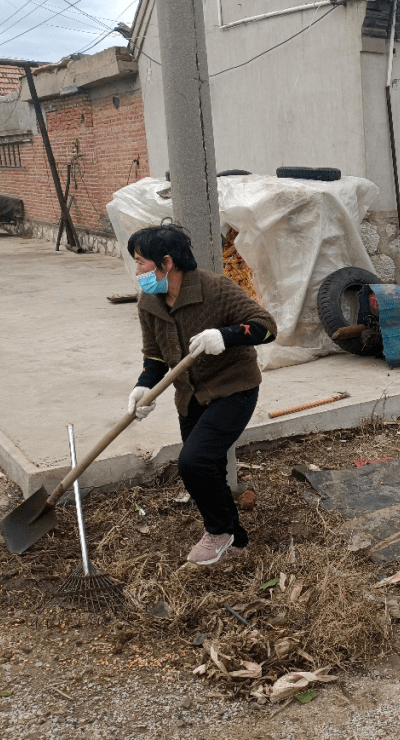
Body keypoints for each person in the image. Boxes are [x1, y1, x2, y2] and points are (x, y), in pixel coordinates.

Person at [127, 223, 277, 565]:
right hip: (189, 395)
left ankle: (218, 531)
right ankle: (236, 541)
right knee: (207, 467)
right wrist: (143, 387)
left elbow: (266, 327)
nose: (138, 272)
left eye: (141, 262)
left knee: (193, 462)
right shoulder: (149, 302)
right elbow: (154, 355)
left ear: (166, 263)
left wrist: (224, 335)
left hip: (233, 388)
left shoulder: (215, 288)